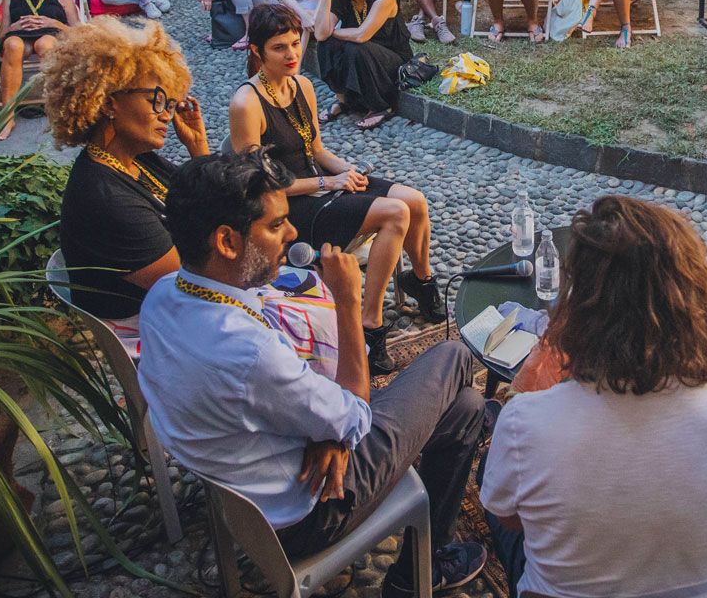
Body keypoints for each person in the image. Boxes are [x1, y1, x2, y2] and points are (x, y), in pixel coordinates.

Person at [135, 150, 487, 598]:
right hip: (310, 511)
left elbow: (294, 400)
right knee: (454, 356)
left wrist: (328, 432)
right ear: (226, 242)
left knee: (466, 408)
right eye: (276, 224)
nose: (293, 232)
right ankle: (413, 573)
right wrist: (348, 303)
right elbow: (355, 416)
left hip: (248, 477)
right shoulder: (250, 353)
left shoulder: (165, 293)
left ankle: (422, 564)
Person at [481, 196, 707, 598]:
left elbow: (509, 518)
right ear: (698, 298)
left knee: (491, 477)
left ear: (576, 309)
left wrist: (526, 394)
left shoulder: (525, 422)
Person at [227, 3, 445, 363]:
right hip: (289, 207)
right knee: (394, 214)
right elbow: (258, 186)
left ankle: (420, 282)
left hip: (320, 183)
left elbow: (316, 149)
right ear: (257, 51)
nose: (292, 54)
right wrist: (328, 183)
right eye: (279, 48)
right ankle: (369, 324)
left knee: (415, 200)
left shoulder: (302, 86)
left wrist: (350, 172)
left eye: (296, 43)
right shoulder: (245, 103)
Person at [44, 16, 209, 321]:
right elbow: (195, 286)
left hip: (173, 310)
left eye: (171, 105)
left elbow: (206, 202)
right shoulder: (105, 197)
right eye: (157, 100)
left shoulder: (135, 160)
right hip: (150, 328)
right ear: (108, 103)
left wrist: (198, 150)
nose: (166, 116)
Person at [315, 0, 412, 129]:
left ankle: (382, 106)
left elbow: (362, 35)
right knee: (326, 44)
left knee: (355, 47)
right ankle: (344, 100)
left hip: (394, 58)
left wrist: (333, 32)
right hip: (363, 54)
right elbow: (321, 34)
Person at [0, 0, 81, 140]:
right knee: (13, 45)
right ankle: (7, 117)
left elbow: (78, 31)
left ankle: (58, 108)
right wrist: (13, 26)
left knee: (45, 45)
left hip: (51, 34)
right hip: (19, 36)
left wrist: (54, 23)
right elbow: (1, 37)